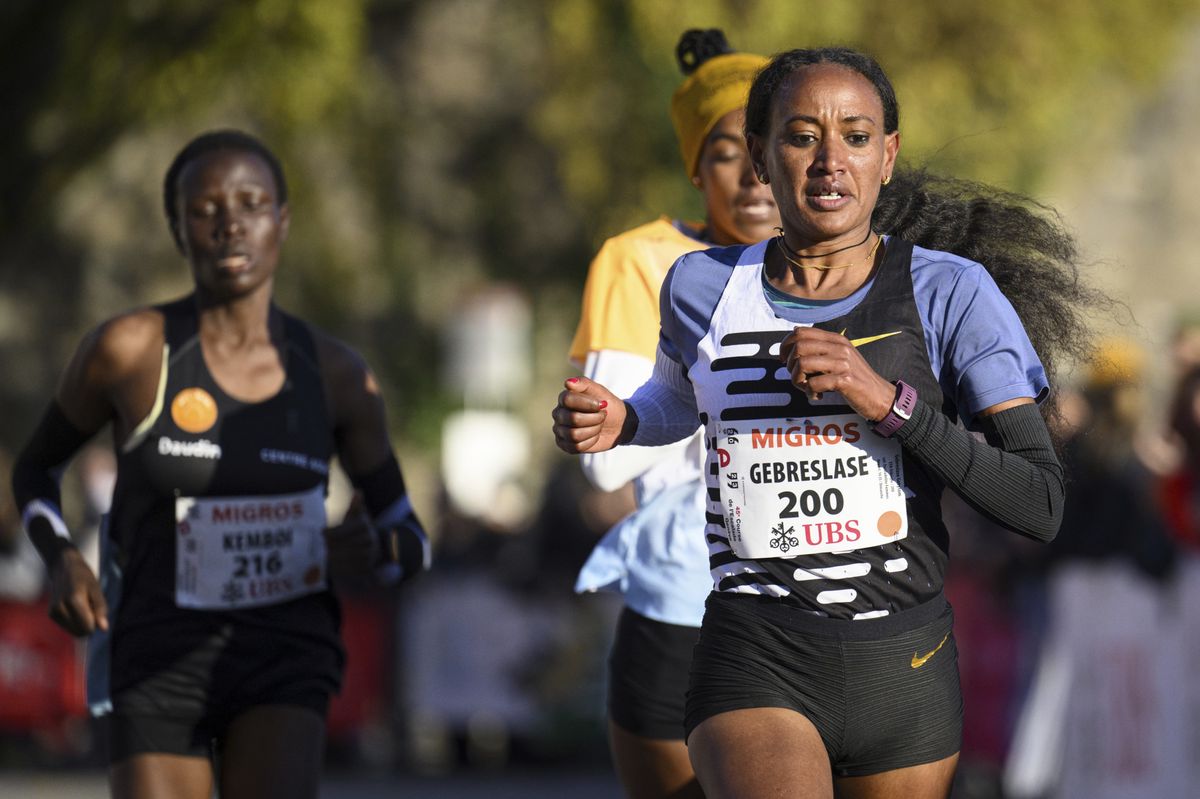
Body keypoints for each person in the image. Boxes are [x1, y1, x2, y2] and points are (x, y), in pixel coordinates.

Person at [553, 47, 1098, 798]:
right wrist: (623, 419)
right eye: (803, 136)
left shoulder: (950, 293)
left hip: (902, 663)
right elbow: (678, 401)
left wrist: (889, 404)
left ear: (888, 156)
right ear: (762, 155)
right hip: (756, 643)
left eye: (856, 135)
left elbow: (1038, 503)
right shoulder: (701, 286)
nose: (829, 161)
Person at [10, 129, 429, 799]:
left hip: (284, 653)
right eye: (205, 209)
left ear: (281, 222)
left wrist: (376, 548)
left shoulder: (337, 374)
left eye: (251, 202)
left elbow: (413, 537)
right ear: (178, 230)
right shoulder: (129, 351)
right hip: (154, 650)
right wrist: (60, 553)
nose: (230, 223)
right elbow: (34, 470)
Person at [567, 29, 777, 799]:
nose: (755, 176)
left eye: (774, 145)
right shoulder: (642, 260)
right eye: (727, 153)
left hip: (823, 610)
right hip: (685, 594)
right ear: (696, 166)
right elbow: (607, 459)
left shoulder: (847, 265)